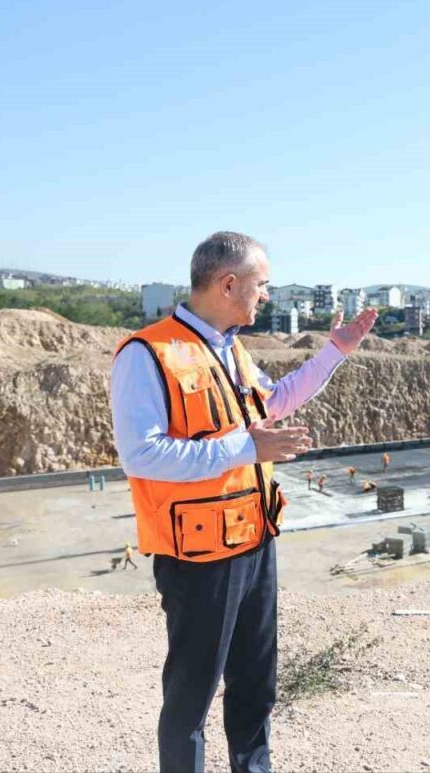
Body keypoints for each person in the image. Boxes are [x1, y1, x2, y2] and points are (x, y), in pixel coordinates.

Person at [110, 231, 378, 773]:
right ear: (228, 284)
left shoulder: (228, 348)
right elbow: (142, 455)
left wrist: (335, 352)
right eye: (262, 286)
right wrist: (246, 446)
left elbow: (274, 402)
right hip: (198, 555)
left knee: (256, 681)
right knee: (192, 694)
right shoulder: (148, 354)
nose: (266, 297)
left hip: (254, 540)